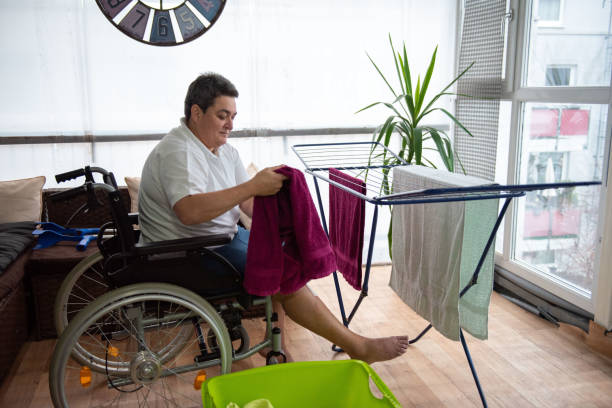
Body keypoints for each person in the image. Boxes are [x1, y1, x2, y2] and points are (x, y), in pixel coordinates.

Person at [138, 72, 409, 364]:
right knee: (283, 272)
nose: (230, 124)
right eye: (222, 115)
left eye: (233, 116)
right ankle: (356, 345)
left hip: (216, 241)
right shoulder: (180, 151)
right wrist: (253, 185)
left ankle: (273, 338)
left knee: (284, 251)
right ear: (196, 112)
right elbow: (189, 211)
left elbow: (247, 201)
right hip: (186, 253)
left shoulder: (223, 151)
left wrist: (289, 214)